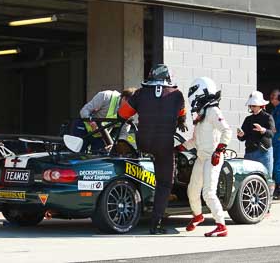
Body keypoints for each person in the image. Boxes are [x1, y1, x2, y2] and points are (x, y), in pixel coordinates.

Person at [118, 64, 187, 234]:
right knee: (164, 183)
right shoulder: (177, 95)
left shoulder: (140, 94)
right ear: (169, 77)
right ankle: (155, 224)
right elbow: (182, 116)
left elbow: (122, 114)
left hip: (143, 143)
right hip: (164, 146)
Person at [177, 77, 232, 237]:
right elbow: (195, 140)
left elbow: (226, 130)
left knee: (208, 192)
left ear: (202, 91)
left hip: (212, 157)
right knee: (192, 190)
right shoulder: (202, 113)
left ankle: (221, 225)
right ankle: (198, 215)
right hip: (202, 157)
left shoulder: (213, 111)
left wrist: (219, 150)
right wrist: (180, 147)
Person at [75, 87, 136, 152]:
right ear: (124, 98)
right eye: (129, 105)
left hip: (101, 135)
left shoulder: (130, 111)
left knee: (100, 157)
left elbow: (123, 133)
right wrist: (91, 122)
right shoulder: (105, 96)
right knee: (76, 154)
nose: (130, 109)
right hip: (83, 129)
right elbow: (84, 111)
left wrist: (116, 145)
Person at [237, 91, 275, 176]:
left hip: (263, 152)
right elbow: (243, 137)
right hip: (250, 152)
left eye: (254, 106)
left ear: (260, 105)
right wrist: (241, 135)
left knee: (266, 177)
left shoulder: (267, 117)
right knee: (248, 177)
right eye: (250, 106)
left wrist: (263, 130)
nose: (251, 108)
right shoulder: (248, 119)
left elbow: (272, 133)